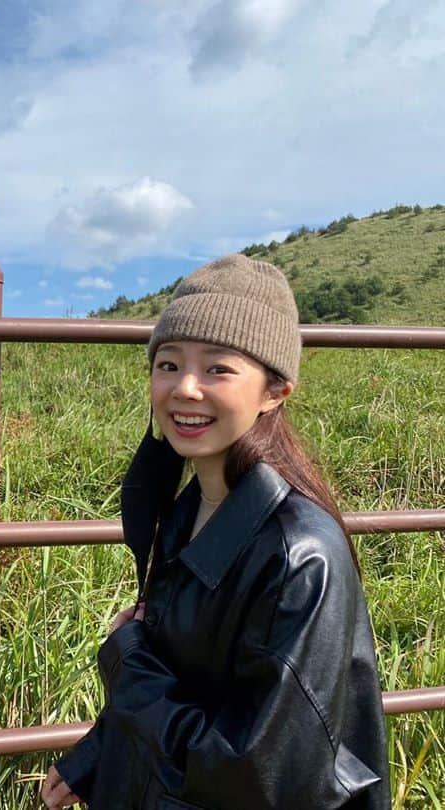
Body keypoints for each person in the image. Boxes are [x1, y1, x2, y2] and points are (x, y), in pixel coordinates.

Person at [40, 254, 389, 809]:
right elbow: (187, 678)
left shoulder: (299, 555)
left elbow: (255, 770)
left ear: (274, 391)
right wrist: (99, 753)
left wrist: (126, 660)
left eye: (218, 369)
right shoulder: (183, 512)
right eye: (169, 364)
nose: (186, 389)